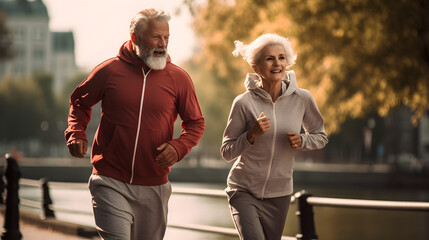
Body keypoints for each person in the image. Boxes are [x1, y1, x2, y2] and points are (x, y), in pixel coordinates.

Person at [64, 8, 205, 240]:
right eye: (155, 37)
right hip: (110, 179)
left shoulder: (178, 78)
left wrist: (178, 147)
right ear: (135, 38)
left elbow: (195, 122)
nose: (163, 43)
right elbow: (79, 102)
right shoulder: (109, 71)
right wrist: (76, 133)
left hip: (155, 185)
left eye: (166, 37)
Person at [220, 33, 328, 240]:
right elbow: (226, 151)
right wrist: (251, 135)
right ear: (256, 66)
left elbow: (321, 136)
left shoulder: (302, 98)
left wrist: (302, 140)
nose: (277, 63)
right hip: (243, 190)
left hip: (279, 194)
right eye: (270, 58)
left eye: (281, 57)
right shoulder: (243, 103)